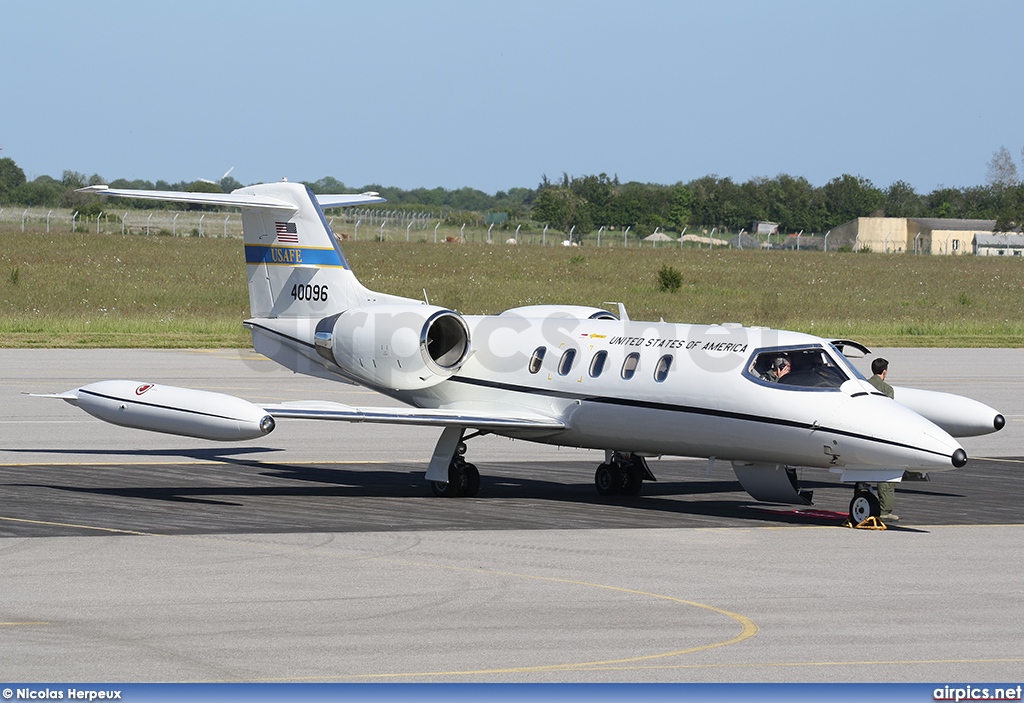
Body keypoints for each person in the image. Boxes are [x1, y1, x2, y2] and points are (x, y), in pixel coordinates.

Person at [867, 357, 898, 519]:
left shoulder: (862, 385)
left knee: (862, 472)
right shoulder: (886, 389)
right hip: (880, 436)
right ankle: (885, 510)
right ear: (884, 371)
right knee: (885, 472)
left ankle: (863, 506)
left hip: (862, 436)